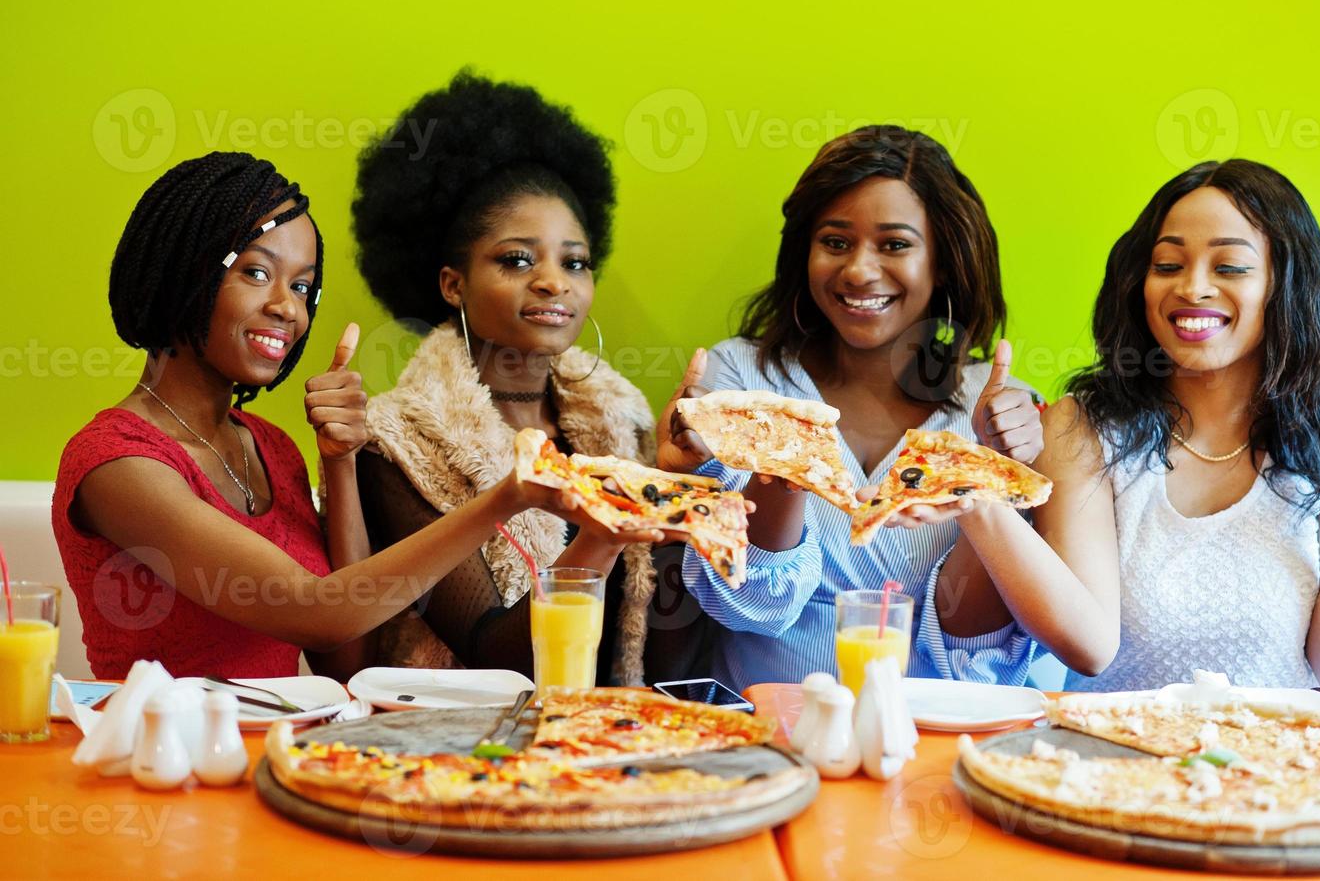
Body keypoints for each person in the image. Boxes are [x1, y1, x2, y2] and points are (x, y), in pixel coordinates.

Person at [52, 151, 660, 680]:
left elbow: (349, 659)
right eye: (257, 273)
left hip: (271, 761)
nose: (285, 308)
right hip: (154, 768)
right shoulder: (117, 462)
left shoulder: (268, 448)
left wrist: (338, 463)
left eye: (303, 287)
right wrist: (506, 499)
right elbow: (317, 614)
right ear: (185, 271)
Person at [657, 126, 1103, 690]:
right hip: (773, 744)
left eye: (894, 244)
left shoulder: (1004, 415)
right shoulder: (740, 380)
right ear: (805, 252)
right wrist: (783, 466)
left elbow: (979, 655)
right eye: (836, 242)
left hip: (945, 746)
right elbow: (750, 603)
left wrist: (990, 480)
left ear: (943, 260)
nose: (859, 271)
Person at [1037, 158, 1320, 690]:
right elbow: (1088, 648)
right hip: (1113, 764)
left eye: (1229, 267)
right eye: (1167, 266)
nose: (1193, 288)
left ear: (1285, 285)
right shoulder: (1082, 429)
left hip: (1283, 764)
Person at [351, 72, 660, 684]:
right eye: (517, 259)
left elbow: (653, 633)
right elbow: (499, 656)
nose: (554, 282)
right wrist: (604, 529)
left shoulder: (624, 422)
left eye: (574, 262)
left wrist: (678, 483)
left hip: (612, 747)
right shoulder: (394, 441)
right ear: (452, 284)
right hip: (462, 753)